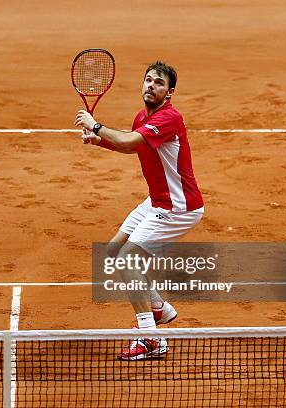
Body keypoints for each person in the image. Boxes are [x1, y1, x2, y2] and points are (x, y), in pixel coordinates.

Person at [74, 61, 204, 360]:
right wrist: (98, 141)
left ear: (169, 92)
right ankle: (158, 307)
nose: (150, 86)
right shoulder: (142, 117)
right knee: (113, 251)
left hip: (178, 206)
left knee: (127, 259)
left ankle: (150, 337)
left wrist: (96, 125)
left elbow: (128, 139)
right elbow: (131, 147)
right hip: (157, 200)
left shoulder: (170, 117)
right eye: (148, 80)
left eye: (158, 83)